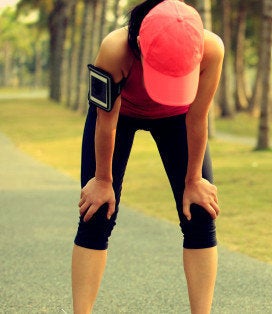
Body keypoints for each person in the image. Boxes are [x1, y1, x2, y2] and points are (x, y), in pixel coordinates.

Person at [72, 0, 224, 313]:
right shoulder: (114, 50)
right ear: (141, 43)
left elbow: (198, 119)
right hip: (120, 116)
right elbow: (106, 121)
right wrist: (102, 180)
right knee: (97, 211)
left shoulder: (211, 49)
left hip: (177, 116)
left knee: (200, 210)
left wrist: (194, 179)